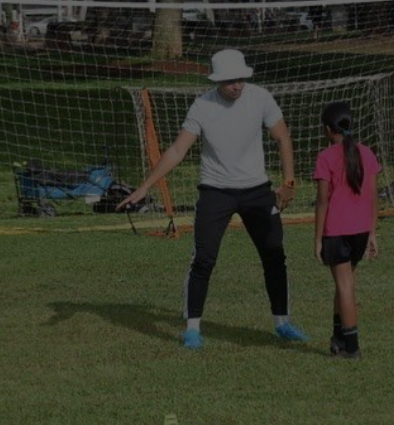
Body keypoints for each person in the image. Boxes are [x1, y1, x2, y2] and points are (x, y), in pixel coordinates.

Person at [117, 49, 308, 350]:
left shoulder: (260, 97)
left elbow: (283, 137)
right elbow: (178, 151)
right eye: (230, 81)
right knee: (203, 259)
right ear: (217, 80)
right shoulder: (202, 106)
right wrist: (145, 186)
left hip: (258, 190)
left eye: (241, 79)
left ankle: (282, 323)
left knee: (274, 254)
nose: (237, 86)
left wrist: (288, 183)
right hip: (215, 192)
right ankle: (192, 329)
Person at [312, 101, 380, 360]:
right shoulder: (368, 153)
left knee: (345, 286)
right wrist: (372, 232)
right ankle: (338, 340)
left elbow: (322, 201)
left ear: (328, 130)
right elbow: (373, 196)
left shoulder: (326, 157)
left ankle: (352, 348)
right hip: (360, 232)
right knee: (344, 285)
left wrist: (318, 239)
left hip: (336, 232)